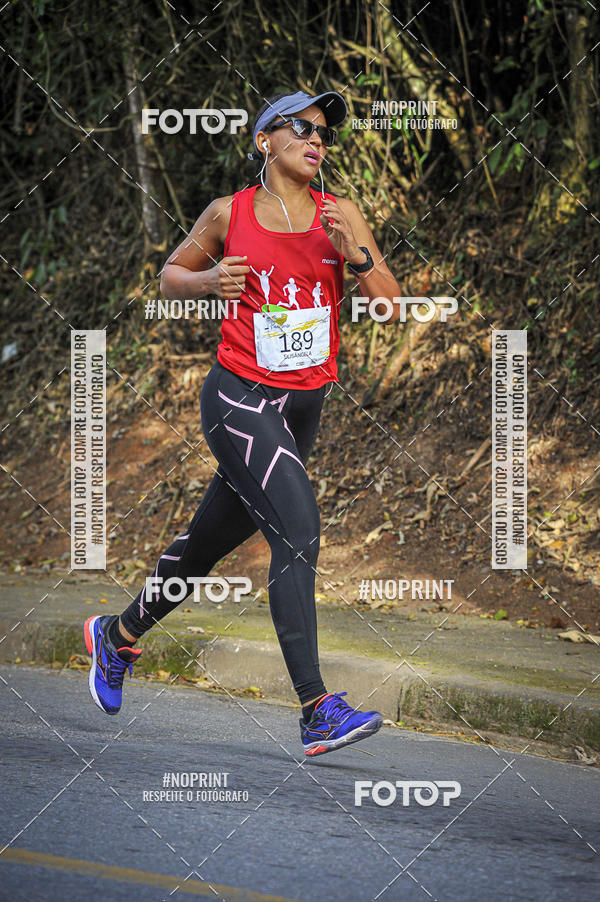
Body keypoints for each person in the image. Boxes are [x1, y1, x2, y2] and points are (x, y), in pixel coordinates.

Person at [84, 89, 402, 756]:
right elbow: (172, 275)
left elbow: (393, 306)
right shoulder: (228, 214)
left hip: (303, 408)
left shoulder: (338, 214)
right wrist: (207, 284)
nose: (318, 140)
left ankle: (115, 638)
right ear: (265, 140)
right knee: (299, 532)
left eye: (325, 133)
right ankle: (318, 709)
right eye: (303, 129)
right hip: (240, 400)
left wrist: (359, 257)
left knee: (204, 546)